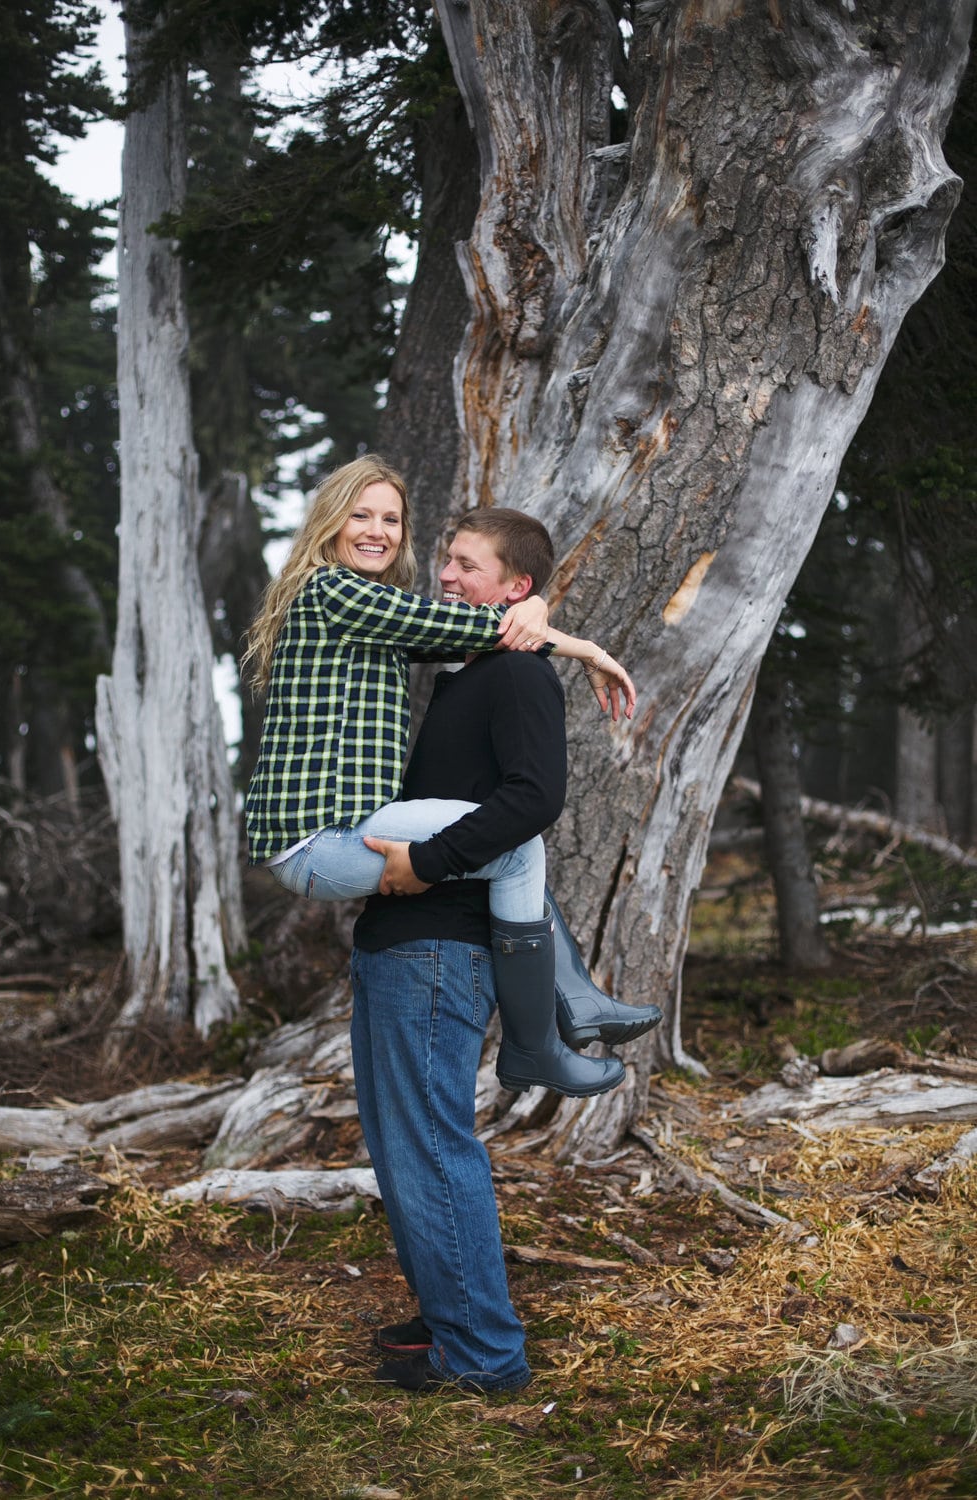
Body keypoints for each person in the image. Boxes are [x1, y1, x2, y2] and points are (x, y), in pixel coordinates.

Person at [351, 507, 663, 1393]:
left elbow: (532, 800)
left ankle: (486, 1356)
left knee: (433, 1149)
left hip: (441, 946)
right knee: (400, 1148)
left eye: (463, 563)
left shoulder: (517, 680)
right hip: (395, 941)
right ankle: (450, 1317)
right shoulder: (470, 665)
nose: (444, 575)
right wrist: (573, 637)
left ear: (513, 587)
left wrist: (424, 866)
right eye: (444, 560)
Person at [243, 457, 646, 1096]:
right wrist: (586, 647)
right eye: (360, 514)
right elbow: (468, 625)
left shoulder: (371, 618)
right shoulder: (334, 591)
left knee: (508, 839)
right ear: (328, 521)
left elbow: (470, 635)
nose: (378, 530)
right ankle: (539, 1038)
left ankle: (566, 1011)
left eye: (391, 518)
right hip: (319, 837)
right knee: (515, 848)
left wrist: (532, 603)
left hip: (344, 825)